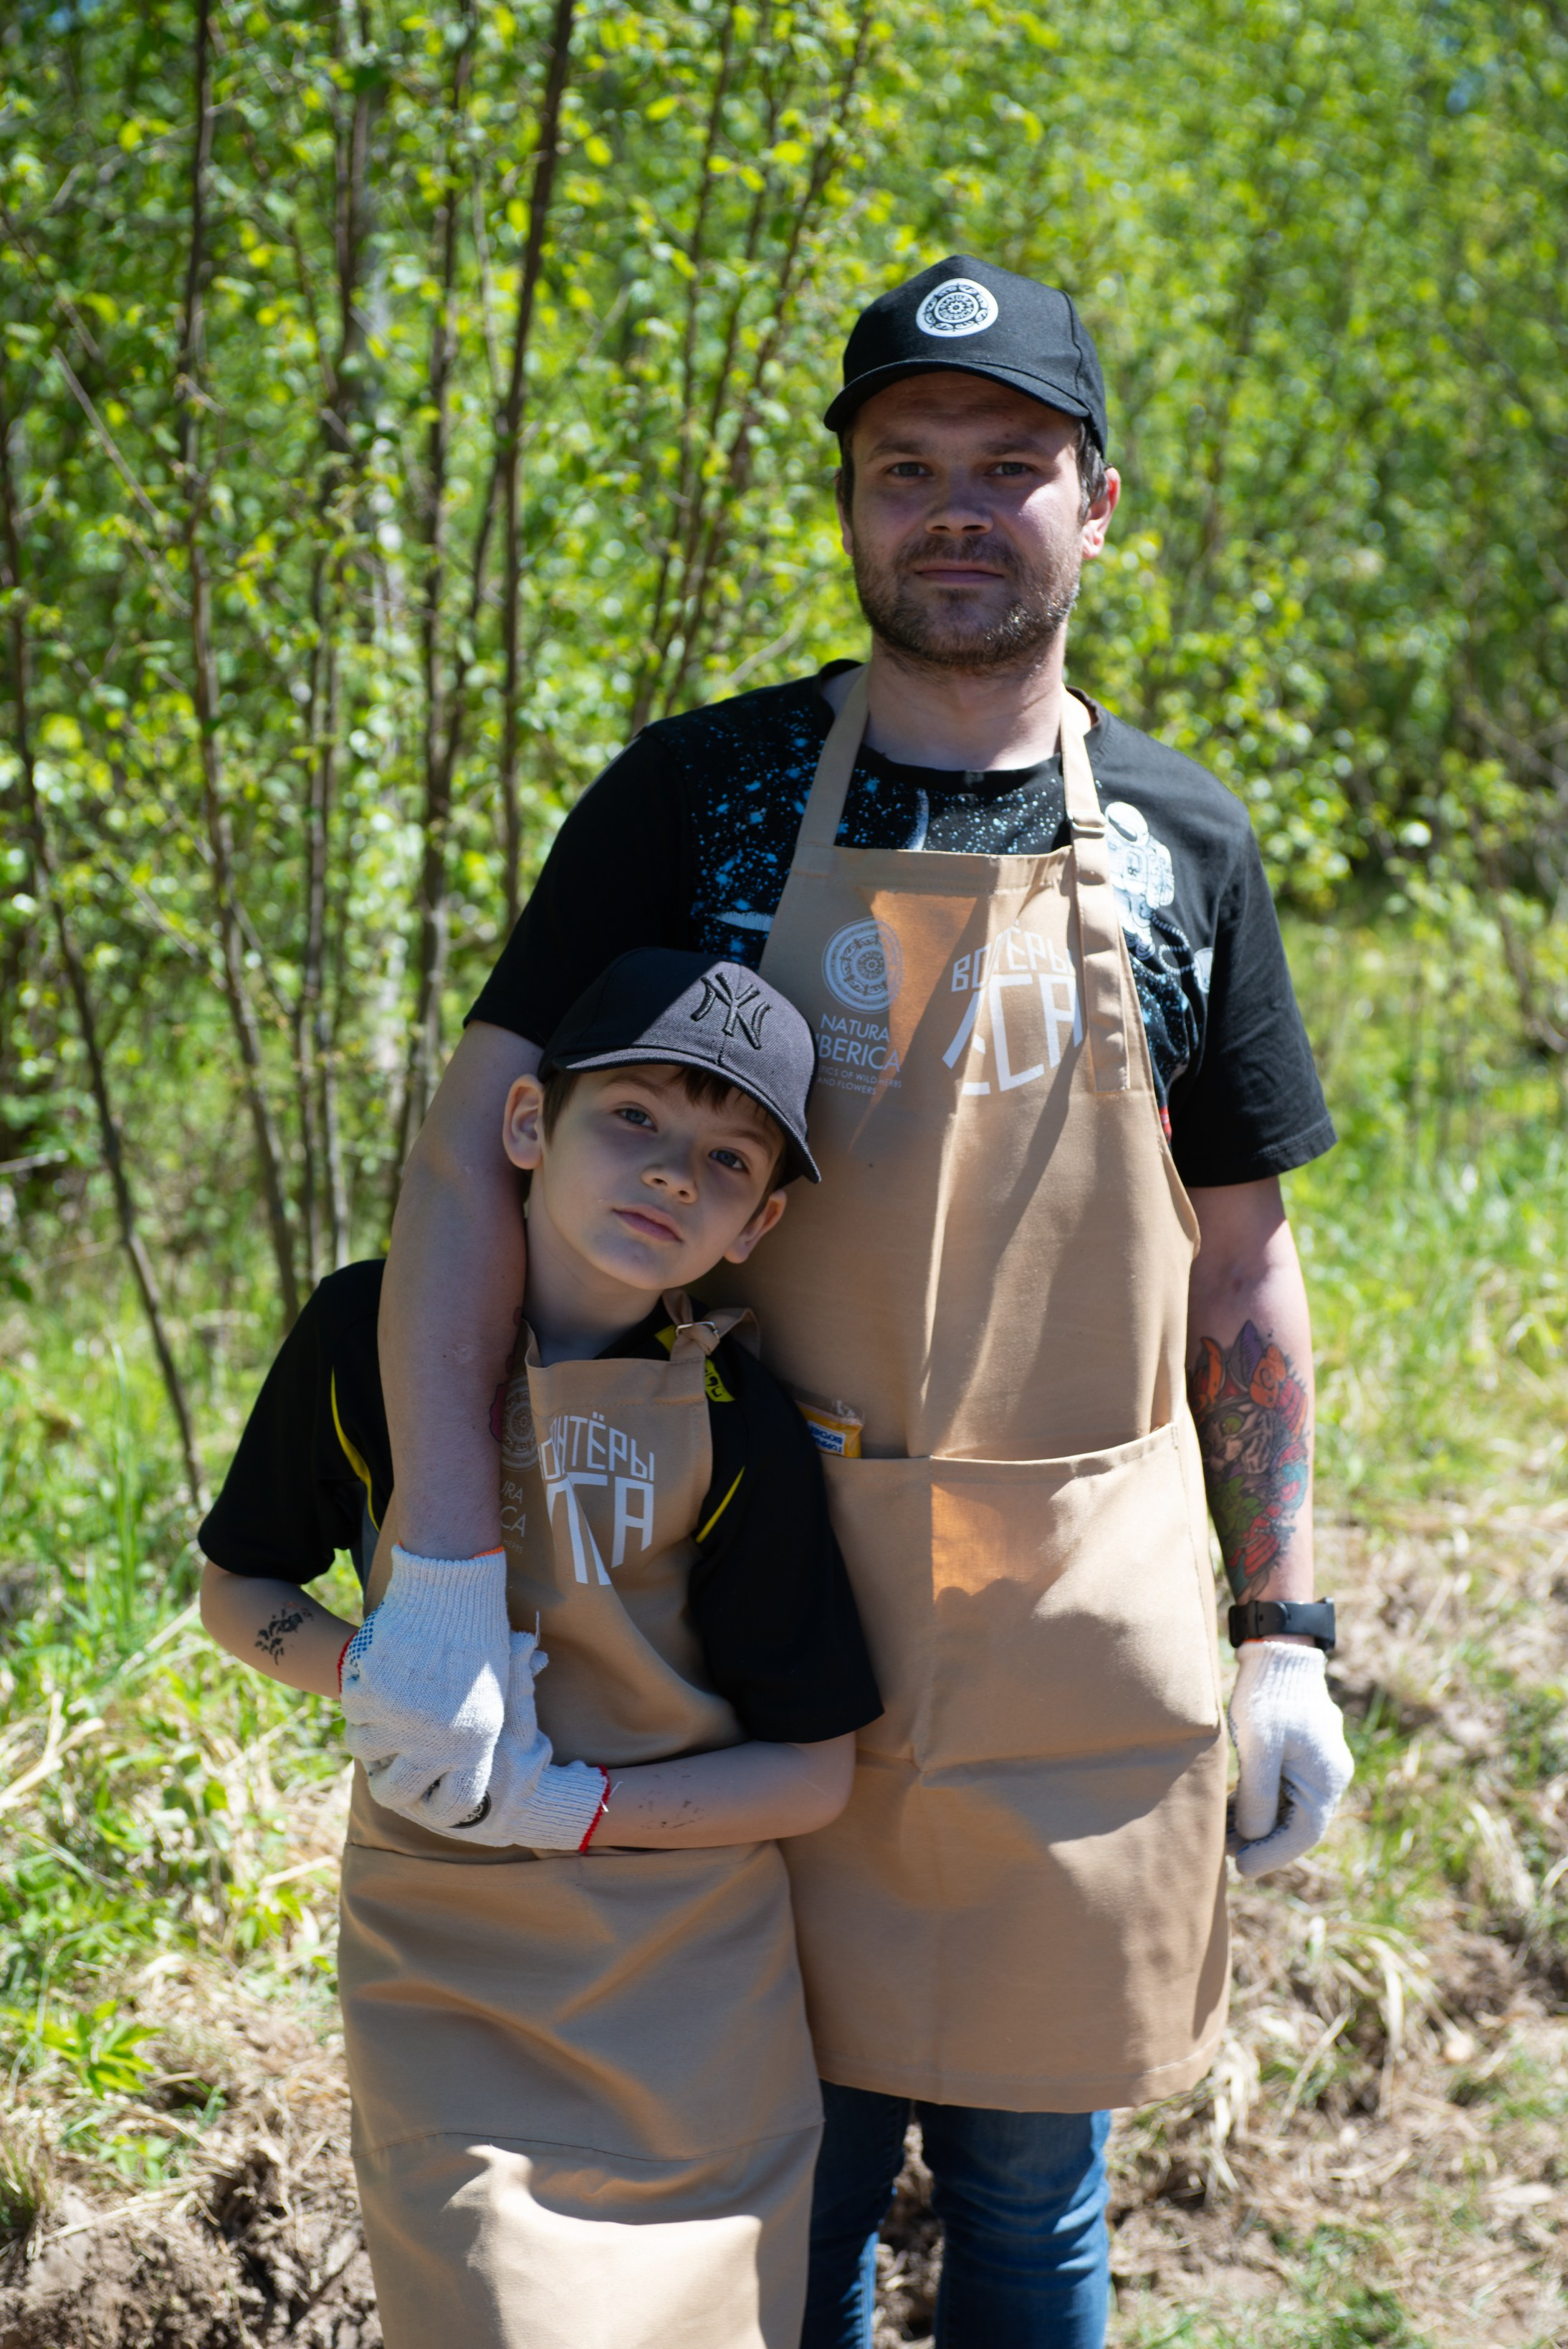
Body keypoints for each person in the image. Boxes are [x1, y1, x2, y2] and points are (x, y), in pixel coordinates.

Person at [375, 255, 1357, 2348]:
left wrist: (1283, 1629)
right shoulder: (697, 795)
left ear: (1102, 504)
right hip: (732, 1613)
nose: (954, 508)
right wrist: (448, 1561)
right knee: (769, 2173)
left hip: (1073, 1635)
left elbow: (1245, 1261)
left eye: (1011, 466)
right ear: (843, 506)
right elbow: (475, 1147)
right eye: (905, 465)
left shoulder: (1184, 841)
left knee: (1026, 2191)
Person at [199, 949, 883, 2349]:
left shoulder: (742, 1416)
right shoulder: (363, 1336)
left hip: (684, 1959)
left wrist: (575, 1804)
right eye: (629, 1116)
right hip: (440, 1937)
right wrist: (379, 1676)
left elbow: (813, 1772)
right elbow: (237, 1584)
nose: (671, 1172)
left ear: (755, 1223)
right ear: (527, 1126)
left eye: (724, 1156)